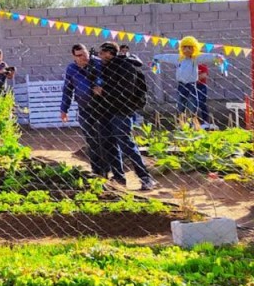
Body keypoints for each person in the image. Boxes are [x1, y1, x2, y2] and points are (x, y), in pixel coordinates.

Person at [93, 42, 156, 191]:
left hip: (122, 111)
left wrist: (103, 92)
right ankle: (119, 178)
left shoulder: (126, 67)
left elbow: (126, 91)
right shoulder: (105, 67)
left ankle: (146, 177)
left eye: (102, 53)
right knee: (109, 144)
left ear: (110, 53)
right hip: (106, 111)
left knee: (126, 144)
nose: (100, 56)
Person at [152, 36, 225, 126]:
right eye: (184, 47)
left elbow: (206, 56)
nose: (187, 50)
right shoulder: (178, 58)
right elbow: (168, 57)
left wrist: (217, 57)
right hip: (181, 85)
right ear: (181, 48)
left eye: (189, 47)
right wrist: (157, 58)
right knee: (180, 104)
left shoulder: (196, 58)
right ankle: (182, 123)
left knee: (193, 104)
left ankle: (192, 122)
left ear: (194, 48)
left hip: (192, 85)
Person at [60, 43, 107, 177]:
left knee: (104, 138)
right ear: (74, 57)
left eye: (85, 54)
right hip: (84, 108)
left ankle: (107, 170)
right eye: (79, 56)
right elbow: (67, 89)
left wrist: (100, 85)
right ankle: (96, 170)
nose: (83, 58)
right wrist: (64, 109)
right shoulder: (72, 69)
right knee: (90, 138)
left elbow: (105, 78)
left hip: (101, 107)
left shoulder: (98, 63)